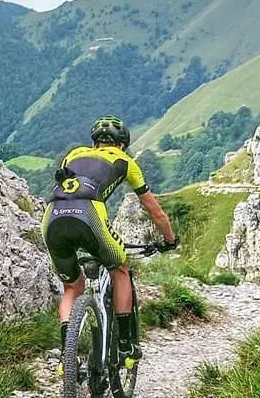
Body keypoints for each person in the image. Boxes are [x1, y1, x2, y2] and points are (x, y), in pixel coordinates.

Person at [41, 115, 178, 372]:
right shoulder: (126, 162)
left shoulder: (72, 155)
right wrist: (169, 239)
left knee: (72, 287)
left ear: (94, 144)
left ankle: (66, 356)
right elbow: (155, 211)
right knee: (120, 268)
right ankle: (126, 344)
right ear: (123, 146)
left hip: (52, 218)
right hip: (90, 216)